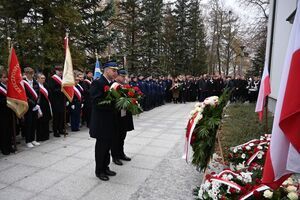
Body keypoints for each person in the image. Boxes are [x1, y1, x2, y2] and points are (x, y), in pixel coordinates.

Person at [89, 61, 119, 181]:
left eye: (116, 70)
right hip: (101, 122)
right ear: (106, 70)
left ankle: (105, 167)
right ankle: (99, 170)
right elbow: (96, 102)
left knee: (108, 146)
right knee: (101, 147)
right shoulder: (97, 83)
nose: (115, 73)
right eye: (114, 70)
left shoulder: (112, 83)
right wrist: (114, 102)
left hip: (110, 121)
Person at [111, 69, 133, 166]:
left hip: (124, 114)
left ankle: (121, 153)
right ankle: (115, 156)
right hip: (117, 116)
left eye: (125, 76)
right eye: (123, 76)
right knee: (116, 136)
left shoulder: (124, 86)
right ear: (117, 76)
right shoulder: (114, 86)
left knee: (122, 136)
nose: (125, 78)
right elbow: (113, 101)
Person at [23, 67, 40, 148]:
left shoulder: (35, 82)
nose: (31, 75)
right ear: (25, 74)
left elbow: (38, 94)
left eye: (32, 73)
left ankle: (33, 139)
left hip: (35, 106)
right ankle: (28, 141)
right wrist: (33, 104)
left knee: (34, 123)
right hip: (28, 106)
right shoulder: (23, 82)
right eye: (29, 73)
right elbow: (24, 96)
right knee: (28, 124)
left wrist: (37, 104)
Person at [0, 69, 15, 155]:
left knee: (10, 130)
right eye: (4, 77)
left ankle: (10, 146)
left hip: (10, 111)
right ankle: (4, 148)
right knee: (3, 131)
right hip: (2, 113)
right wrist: (7, 100)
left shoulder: (9, 87)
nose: (6, 79)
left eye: (7, 77)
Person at [48, 66, 66, 137]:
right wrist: (61, 90)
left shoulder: (62, 79)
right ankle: (55, 131)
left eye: (61, 70)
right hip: (55, 101)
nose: (60, 72)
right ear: (55, 71)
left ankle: (60, 129)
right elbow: (52, 89)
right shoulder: (52, 79)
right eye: (59, 70)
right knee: (56, 117)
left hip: (62, 100)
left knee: (61, 116)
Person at [36, 73, 52, 141]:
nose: (43, 79)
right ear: (38, 79)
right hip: (40, 106)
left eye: (44, 78)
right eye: (42, 78)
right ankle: (40, 137)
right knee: (40, 122)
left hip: (46, 105)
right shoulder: (36, 86)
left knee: (46, 120)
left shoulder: (45, 85)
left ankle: (46, 135)